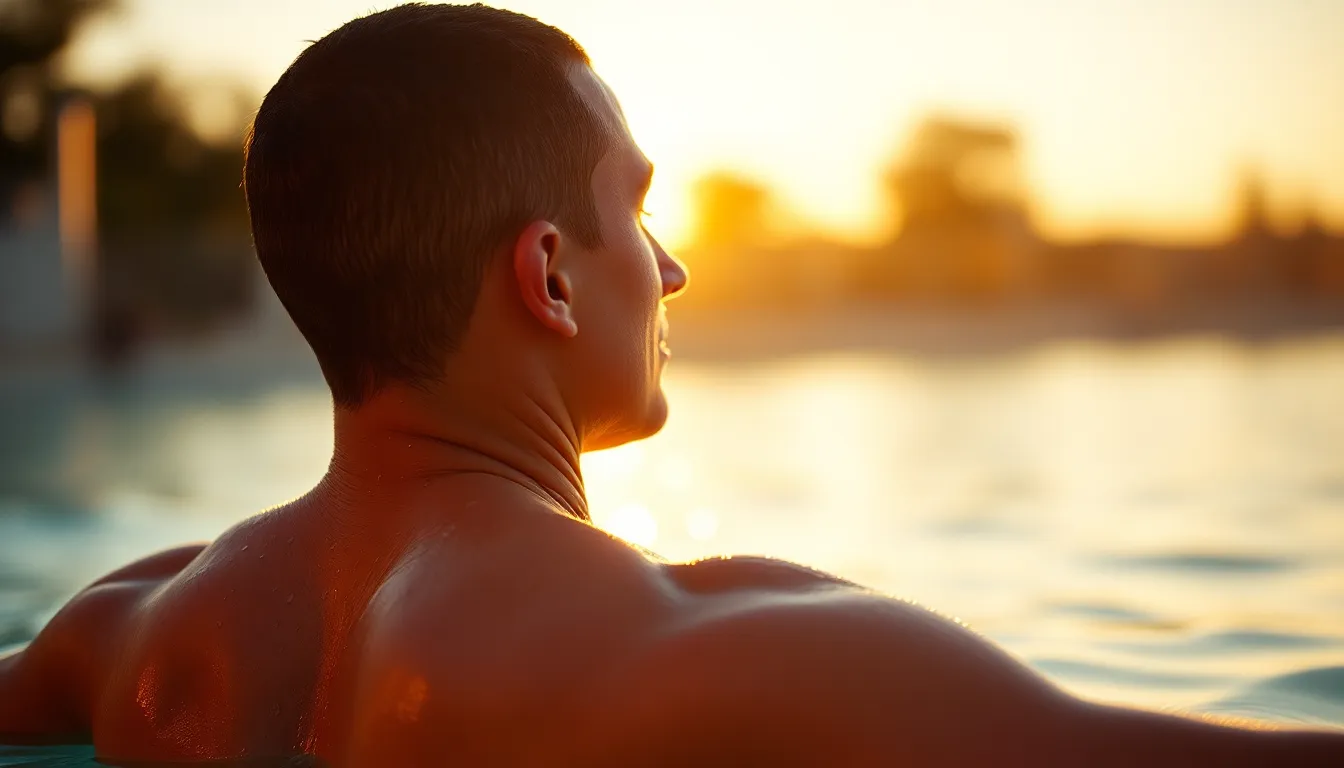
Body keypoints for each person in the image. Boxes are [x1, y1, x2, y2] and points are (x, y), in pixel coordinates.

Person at [1, 3, 1341, 765]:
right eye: (637, 212)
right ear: (552, 275)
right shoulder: (696, 651)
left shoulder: (128, 638)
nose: (677, 268)